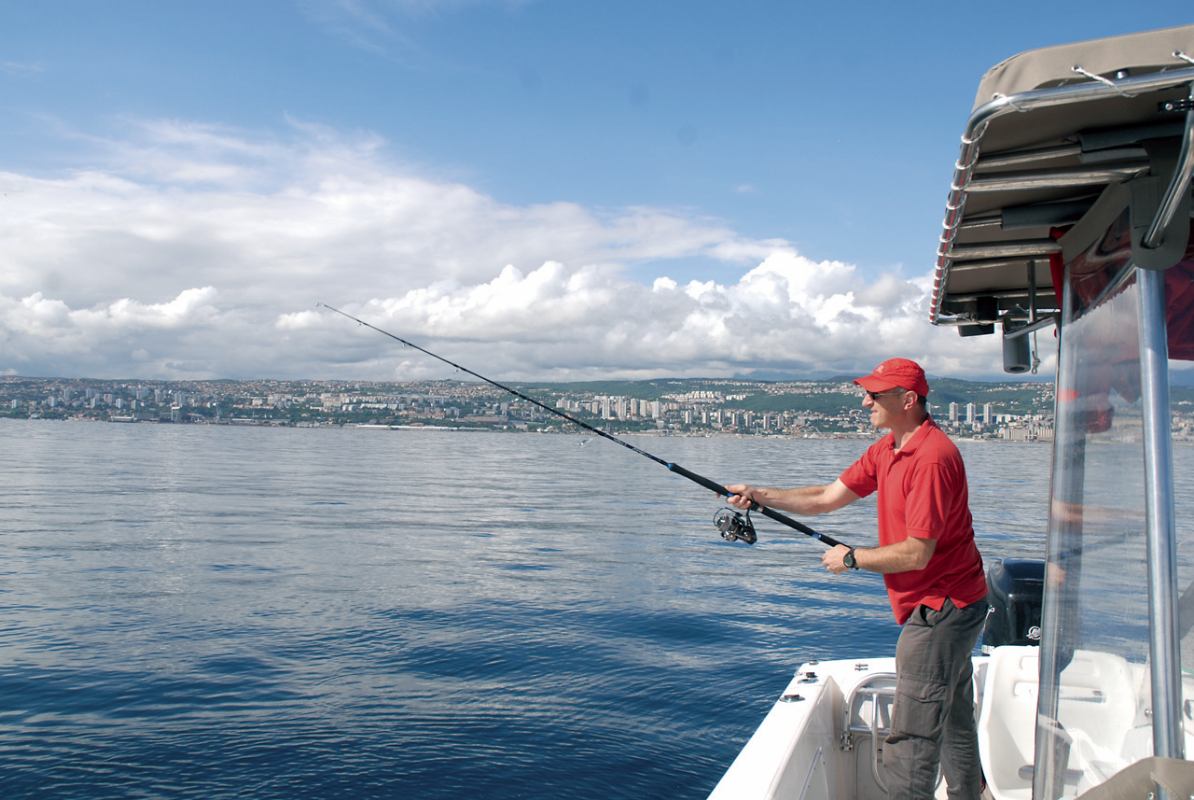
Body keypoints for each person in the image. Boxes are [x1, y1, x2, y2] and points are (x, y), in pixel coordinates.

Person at [726, 357, 989, 800]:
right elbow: (826, 498)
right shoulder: (889, 449)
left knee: (912, 736)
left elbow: (917, 552)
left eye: (875, 394)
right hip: (949, 603)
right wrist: (759, 494)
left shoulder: (931, 458)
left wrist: (853, 560)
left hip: (942, 608)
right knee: (955, 717)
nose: (865, 400)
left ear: (907, 400)